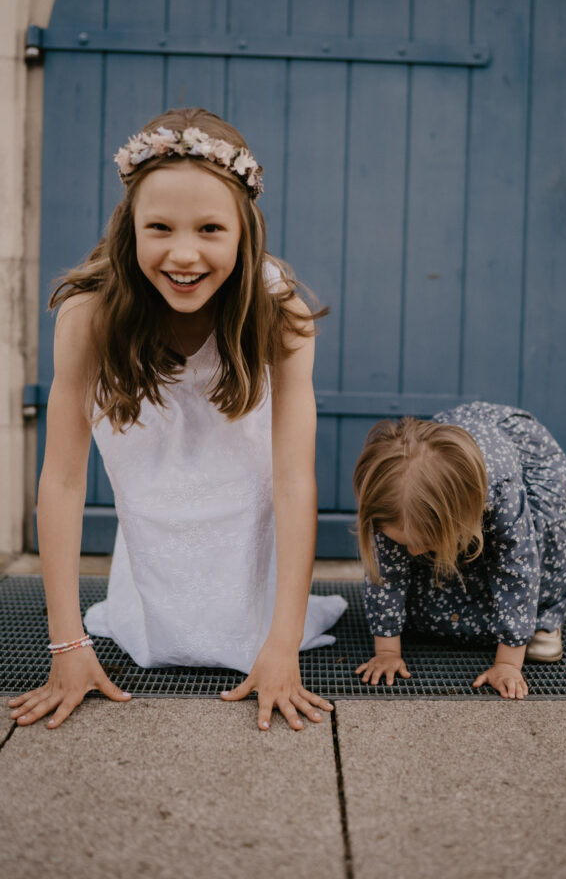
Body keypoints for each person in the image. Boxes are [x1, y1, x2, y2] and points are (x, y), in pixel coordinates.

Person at [8, 107, 346, 731]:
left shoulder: (280, 315)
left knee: (250, 628)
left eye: (211, 228)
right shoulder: (88, 317)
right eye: (159, 227)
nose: (183, 253)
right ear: (128, 227)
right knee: (156, 636)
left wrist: (282, 643)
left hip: (245, 525)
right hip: (153, 534)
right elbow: (61, 480)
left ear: (245, 232)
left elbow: (296, 480)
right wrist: (66, 646)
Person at [353, 402, 566, 699]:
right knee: (429, 586)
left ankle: (543, 624)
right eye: (404, 542)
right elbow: (387, 574)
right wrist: (387, 651)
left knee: (536, 538)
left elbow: (516, 569)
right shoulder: (393, 502)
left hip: (520, 463)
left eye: (423, 541)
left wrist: (508, 663)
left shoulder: (500, 491)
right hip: (445, 464)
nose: (414, 551)